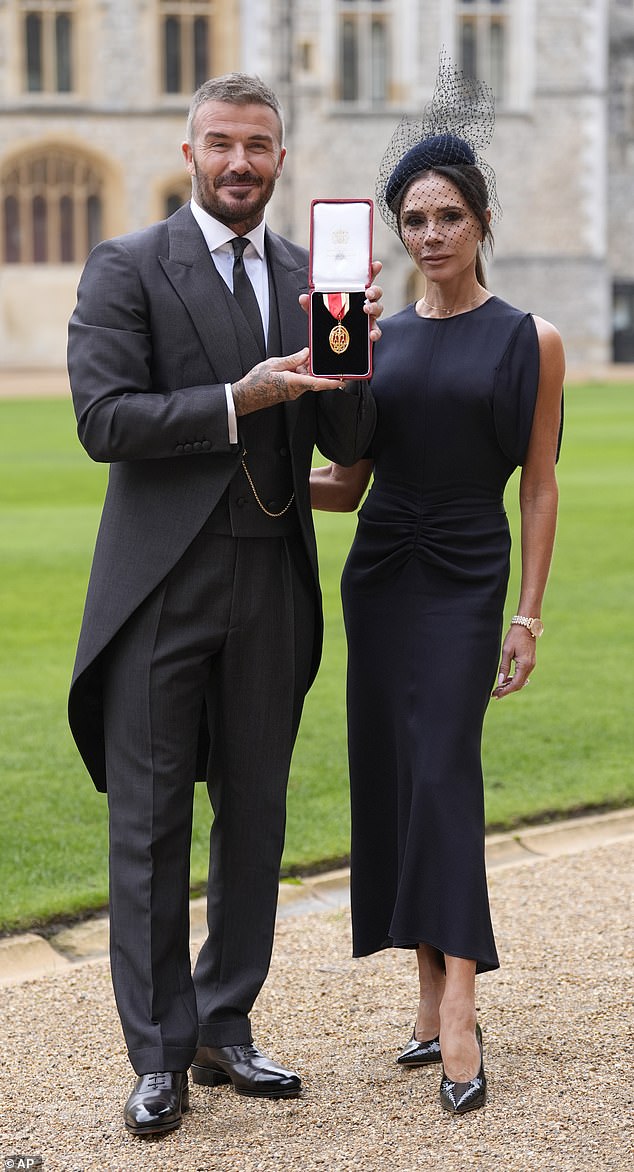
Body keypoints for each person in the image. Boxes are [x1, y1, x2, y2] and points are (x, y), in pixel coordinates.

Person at [67, 72, 381, 1137]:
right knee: (149, 824)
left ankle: (222, 1021)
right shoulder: (126, 265)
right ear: (190, 149)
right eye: (221, 143)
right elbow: (105, 419)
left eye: (258, 145)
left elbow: (345, 444)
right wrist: (237, 399)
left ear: (280, 159)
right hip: (160, 583)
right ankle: (156, 1054)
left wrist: (357, 354)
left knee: (254, 814)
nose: (239, 161)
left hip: (271, 578)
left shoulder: (308, 271)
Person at [310, 59, 564, 1116]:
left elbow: (540, 488)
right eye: (411, 218)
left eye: (447, 215)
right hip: (381, 572)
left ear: (482, 220)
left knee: (444, 770)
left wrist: (527, 612)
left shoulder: (529, 340)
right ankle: (423, 995)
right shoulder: (373, 338)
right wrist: (257, 464)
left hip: (467, 576)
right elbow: (347, 482)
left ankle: (461, 999)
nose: (428, 233)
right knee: (396, 776)